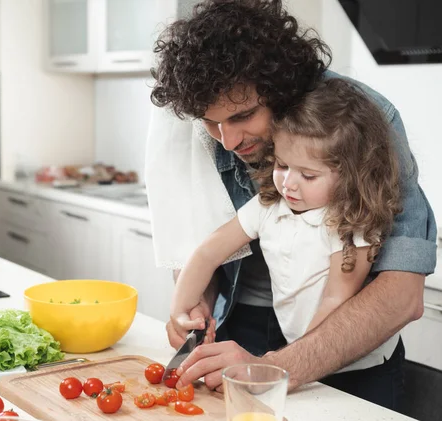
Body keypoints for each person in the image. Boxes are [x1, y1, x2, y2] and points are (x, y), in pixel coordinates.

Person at [147, 0, 437, 410]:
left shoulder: (364, 121)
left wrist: (280, 366)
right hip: (240, 326)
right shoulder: (207, 123)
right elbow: (203, 240)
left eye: (243, 115)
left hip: (348, 344)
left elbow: (402, 296)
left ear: (282, 90)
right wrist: (196, 303)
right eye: (211, 122)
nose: (227, 141)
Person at [171, 78, 401, 363]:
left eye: (308, 175)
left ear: (349, 176)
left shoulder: (351, 223)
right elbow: (208, 252)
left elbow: (335, 302)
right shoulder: (269, 205)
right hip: (299, 352)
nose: (288, 184)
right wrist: (180, 309)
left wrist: (287, 362)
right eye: (282, 165)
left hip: (352, 363)